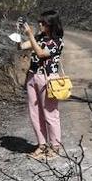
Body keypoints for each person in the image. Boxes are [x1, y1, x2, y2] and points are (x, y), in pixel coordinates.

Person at [20, 9, 64, 159]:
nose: (39, 24)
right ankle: (42, 145)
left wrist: (31, 35)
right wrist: (19, 35)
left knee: (50, 114)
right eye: (39, 21)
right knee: (34, 113)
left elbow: (41, 53)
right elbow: (22, 46)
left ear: (51, 24)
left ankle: (55, 146)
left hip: (48, 79)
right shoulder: (39, 37)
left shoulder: (57, 42)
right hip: (32, 77)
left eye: (43, 22)